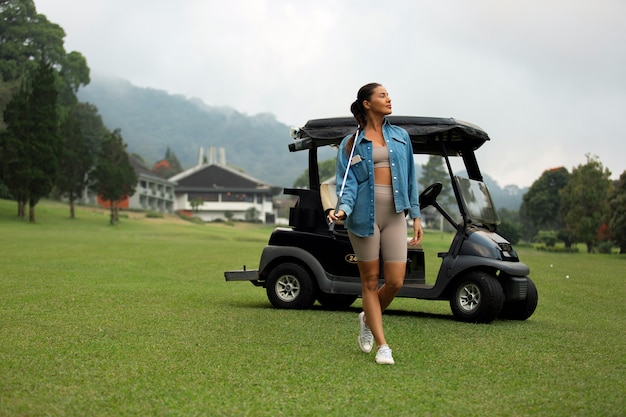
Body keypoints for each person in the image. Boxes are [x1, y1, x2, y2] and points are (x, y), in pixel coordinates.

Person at [328, 83, 423, 365]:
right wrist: (342, 211)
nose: (389, 98)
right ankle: (383, 346)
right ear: (367, 104)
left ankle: (368, 318)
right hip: (362, 217)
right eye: (382, 95)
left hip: (395, 215)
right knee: (369, 282)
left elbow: (410, 179)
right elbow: (348, 184)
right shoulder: (351, 143)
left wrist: (416, 215)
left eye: (388, 94)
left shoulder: (401, 137)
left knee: (395, 281)